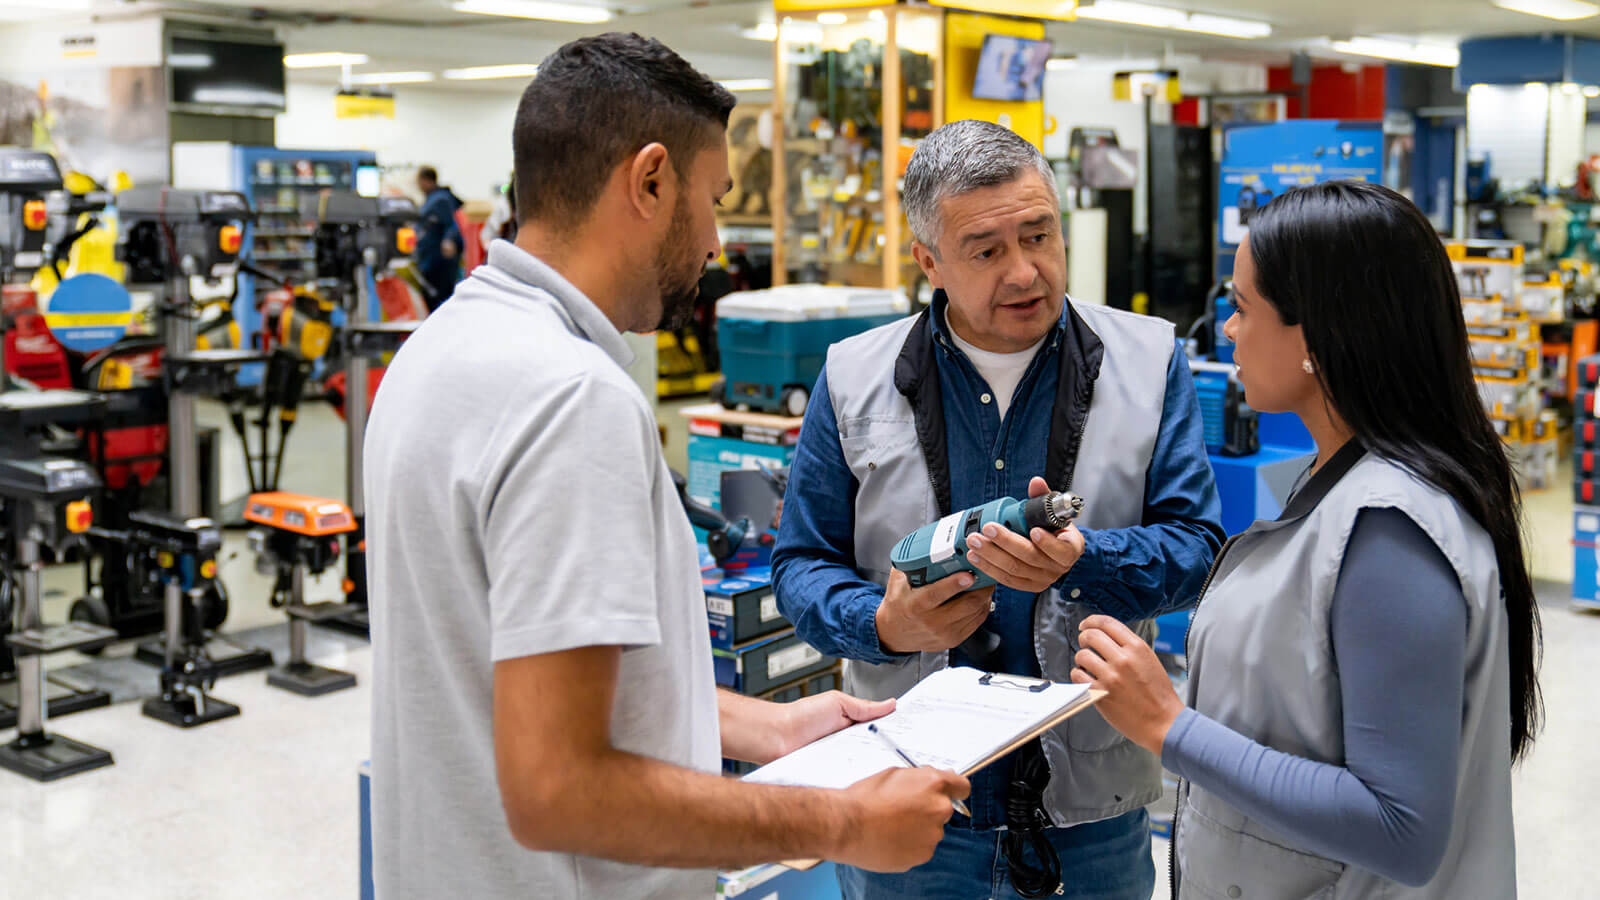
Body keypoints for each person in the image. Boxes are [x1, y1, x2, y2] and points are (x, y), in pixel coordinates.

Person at [364, 34, 971, 900]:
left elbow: (519, 685)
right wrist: (844, 821)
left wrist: (769, 727)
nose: (718, 242)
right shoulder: (571, 399)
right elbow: (558, 790)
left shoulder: (439, 354)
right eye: (713, 200)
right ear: (650, 181)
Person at [772, 119, 1226, 900]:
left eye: (1040, 236)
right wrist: (886, 626)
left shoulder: (1150, 361)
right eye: (986, 251)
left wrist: (1089, 561)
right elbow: (800, 566)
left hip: (1093, 818)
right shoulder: (852, 378)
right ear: (928, 261)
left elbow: (1199, 548)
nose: (1026, 272)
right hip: (907, 812)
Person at [1071, 181, 1543, 899]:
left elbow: (1401, 829)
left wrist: (1167, 725)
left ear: (1317, 336)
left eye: (1244, 306)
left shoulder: (1391, 529)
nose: (1227, 329)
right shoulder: (1343, 479)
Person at [413, 164, 463, 309]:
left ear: (426, 180)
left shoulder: (440, 200)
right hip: (429, 260)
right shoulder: (431, 200)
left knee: (439, 302)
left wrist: (449, 240)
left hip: (438, 263)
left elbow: (451, 224)